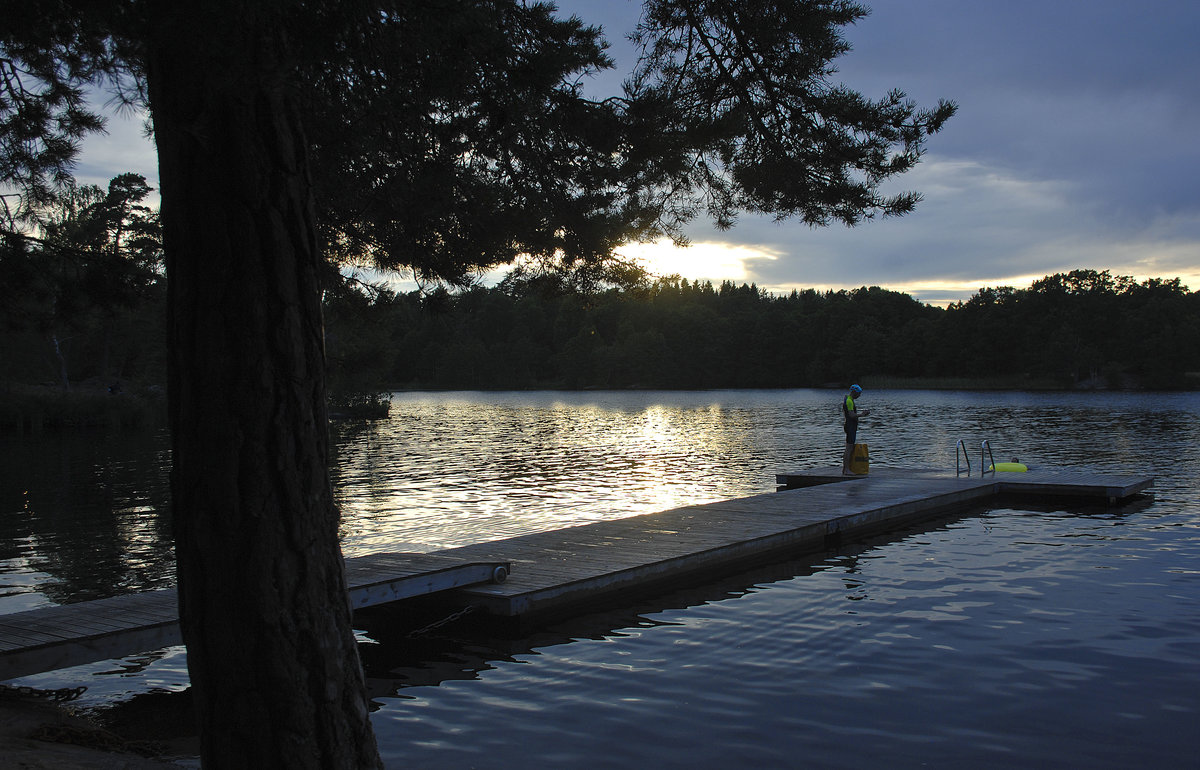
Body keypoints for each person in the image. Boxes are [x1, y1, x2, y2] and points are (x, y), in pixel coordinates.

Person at [841, 384, 870, 475]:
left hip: (851, 425)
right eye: (859, 393)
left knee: (850, 447)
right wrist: (862, 414)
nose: (859, 395)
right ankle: (846, 470)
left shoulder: (849, 399)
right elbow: (851, 415)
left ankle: (847, 468)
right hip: (850, 426)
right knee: (849, 448)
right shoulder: (849, 401)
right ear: (854, 392)